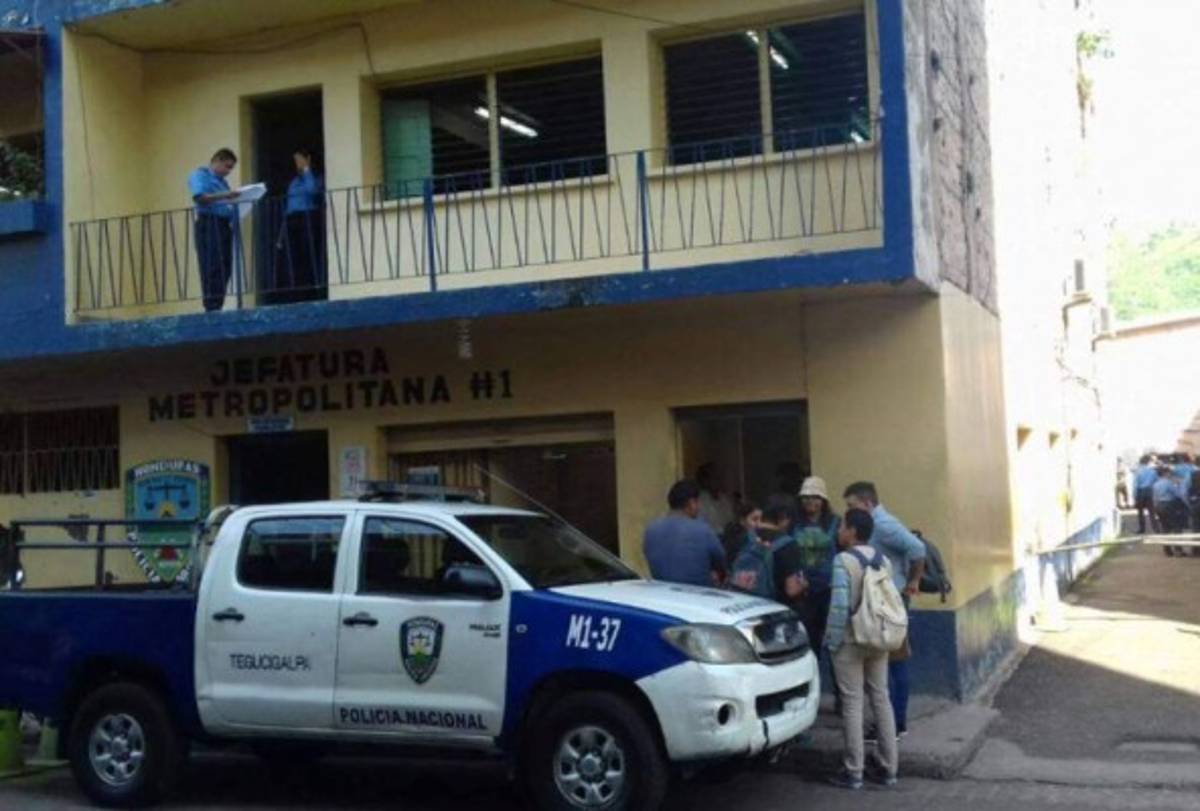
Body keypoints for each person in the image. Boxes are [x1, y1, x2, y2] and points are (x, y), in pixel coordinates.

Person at [843, 481, 925, 738]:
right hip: (882, 601)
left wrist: (912, 581)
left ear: (868, 503)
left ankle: (896, 724)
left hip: (891, 602)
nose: (850, 512)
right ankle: (890, 723)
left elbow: (917, 549)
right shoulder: (875, 525)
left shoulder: (883, 524)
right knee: (887, 665)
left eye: (853, 505)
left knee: (894, 664)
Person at [824, 507, 898, 790]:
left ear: (853, 531)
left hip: (850, 641)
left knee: (853, 703)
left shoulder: (843, 560)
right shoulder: (883, 561)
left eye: (842, 526)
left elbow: (840, 606)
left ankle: (854, 770)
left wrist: (831, 640)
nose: (839, 530)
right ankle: (889, 767)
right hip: (879, 638)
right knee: (881, 698)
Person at [793, 476, 841, 709]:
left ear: (823, 500)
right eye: (806, 498)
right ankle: (809, 699)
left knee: (835, 648)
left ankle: (842, 699)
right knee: (808, 649)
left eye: (814, 497)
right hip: (804, 595)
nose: (810, 502)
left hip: (830, 592)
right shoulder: (794, 524)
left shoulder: (836, 524)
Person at [643, 480, 727, 586]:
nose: (699, 508)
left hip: (662, 596)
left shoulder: (651, 530)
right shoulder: (702, 530)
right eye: (697, 502)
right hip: (698, 597)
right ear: (692, 503)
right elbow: (721, 564)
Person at [188, 148, 240, 312]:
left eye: (231, 168)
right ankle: (211, 306)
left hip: (224, 225)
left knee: (226, 267)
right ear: (216, 161)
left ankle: (217, 304)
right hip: (209, 224)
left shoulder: (223, 182)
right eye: (227, 166)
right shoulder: (200, 175)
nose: (228, 172)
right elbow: (200, 198)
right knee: (212, 266)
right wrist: (226, 196)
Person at [275, 148, 325, 303]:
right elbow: (288, 206)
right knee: (292, 258)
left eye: (299, 160)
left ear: (308, 159)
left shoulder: (316, 178)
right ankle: (293, 294)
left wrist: (306, 170)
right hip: (291, 220)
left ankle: (309, 293)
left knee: (307, 256)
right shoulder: (294, 182)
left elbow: (313, 192)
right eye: (295, 161)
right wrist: (280, 235)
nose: (296, 164)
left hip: (308, 219)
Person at [1153, 465, 1190, 556]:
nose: (1170, 474)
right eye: (1169, 473)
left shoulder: (1155, 484)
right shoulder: (1168, 483)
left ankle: (1167, 550)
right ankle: (1178, 550)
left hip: (1159, 506)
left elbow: (1154, 498)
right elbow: (1178, 494)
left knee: (1165, 528)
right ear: (1165, 473)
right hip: (1169, 505)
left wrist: (1156, 508)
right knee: (1176, 527)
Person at [695, 464, 735, 533]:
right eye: (715, 477)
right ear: (705, 480)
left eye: (720, 477)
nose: (719, 480)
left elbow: (731, 521)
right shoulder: (698, 502)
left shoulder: (725, 499)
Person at [1133, 454, 1160, 535]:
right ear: (1148, 462)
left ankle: (1142, 529)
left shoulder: (1138, 471)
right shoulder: (1153, 471)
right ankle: (1156, 528)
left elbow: (1135, 485)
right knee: (1152, 511)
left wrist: (1135, 496)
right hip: (1150, 491)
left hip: (1141, 491)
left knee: (1140, 512)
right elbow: (1156, 482)